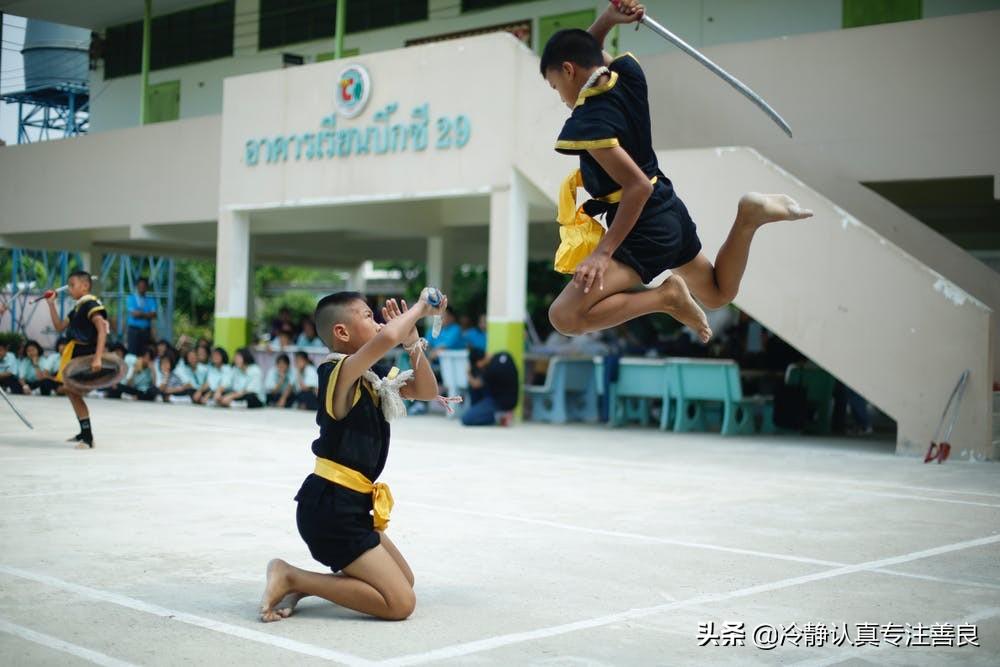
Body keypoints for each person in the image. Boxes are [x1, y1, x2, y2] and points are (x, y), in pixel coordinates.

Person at [541, 2, 812, 345]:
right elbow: (586, 54)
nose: (561, 97)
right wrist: (609, 18)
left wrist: (602, 253)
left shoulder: (588, 124)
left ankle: (665, 298)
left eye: (555, 86)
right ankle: (748, 217)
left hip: (644, 223)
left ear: (568, 71)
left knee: (564, 316)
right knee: (715, 294)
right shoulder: (628, 79)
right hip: (667, 205)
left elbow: (636, 188)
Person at [258, 290, 444, 623]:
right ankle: (291, 576)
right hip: (330, 509)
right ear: (342, 333)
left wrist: (412, 338)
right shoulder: (337, 372)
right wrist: (417, 309)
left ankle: (307, 585)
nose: (378, 322)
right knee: (400, 604)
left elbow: (428, 391)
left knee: (405, 582)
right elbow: (388, 335)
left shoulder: (374, 380)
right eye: (368, 316)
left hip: (353, 506)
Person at [46, 271, 108, 448]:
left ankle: (88, 438)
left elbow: (102, 330)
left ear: (85, 286)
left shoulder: (91, 304)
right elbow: (59, 326)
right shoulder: (78, 307)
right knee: (71, 392)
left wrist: (97, 358)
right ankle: (84, 432)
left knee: (73, 391)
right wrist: (51, 304)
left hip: (85, 355)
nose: (70, 289)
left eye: (72, 285)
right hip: (74, 354)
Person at [462, 348, 519, 427]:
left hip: (499, 402)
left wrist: (468, 373)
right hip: (511, 399)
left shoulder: (490, 369)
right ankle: (496, 413)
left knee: (466, 419)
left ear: (479, 363)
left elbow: (476, 384)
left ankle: (500, 416)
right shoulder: (505, 355)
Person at [126, 277, 157, 355]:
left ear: (147, 287)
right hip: (134, 330)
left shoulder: (150, 299)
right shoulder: (131, 298)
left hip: (146, 331)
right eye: (140, 286)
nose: (142, 288)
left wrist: (141, 314)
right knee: (132, 352)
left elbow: (154, 314)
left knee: (145, 352)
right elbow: (134, 314)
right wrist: (147, 314)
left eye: (144, 286)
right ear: (137, 286)